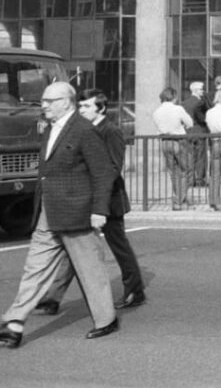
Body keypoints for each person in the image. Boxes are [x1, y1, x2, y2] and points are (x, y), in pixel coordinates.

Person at [0, 82, 118, 348]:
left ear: (66, 101)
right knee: (35, 269)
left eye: (49, 101)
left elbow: (103, 172)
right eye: (42, 101)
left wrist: (99, 210)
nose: (43, 105)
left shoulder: (84, 130)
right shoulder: (52, 128)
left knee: (91, 271)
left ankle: (105, 320)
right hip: (49, 210)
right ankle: (14, 324)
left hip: (76, 212)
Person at [35, 89, 146, 314]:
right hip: (85, 200)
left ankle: (135, 290)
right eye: (81, 106)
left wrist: (98, 200)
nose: (82, 110)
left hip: (108, 201)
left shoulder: (110, 131)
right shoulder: (80, 130)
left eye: (87, 106)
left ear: (101, 109)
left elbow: (112, 168)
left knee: (119, 246)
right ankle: (52, 297)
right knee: (73, 248)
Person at [152, 87, 193, 210]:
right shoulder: (178, 109)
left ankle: (177, 199)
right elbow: (190, 123)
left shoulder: (156, 111)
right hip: (178, 140)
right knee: (186, 170)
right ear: (173, 97)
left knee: (173, 172)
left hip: (165, 141)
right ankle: (181, 199)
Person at [183, 81, 209, 188]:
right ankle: (200, 180)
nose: (203, 91)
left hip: (188, 132)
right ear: (195, 91)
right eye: (201, 89)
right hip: (200, 132)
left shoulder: (184, 103)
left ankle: (190, 180)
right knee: (201, 157)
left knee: (190, 157)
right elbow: (203, 119)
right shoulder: (201, 103)